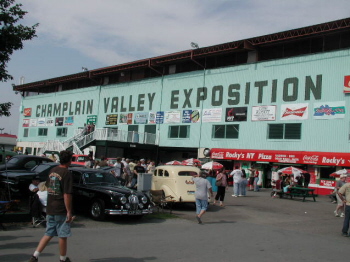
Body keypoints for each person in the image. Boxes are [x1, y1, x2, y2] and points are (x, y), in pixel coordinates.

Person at [28, 150, 74, 262]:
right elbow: (66, 194)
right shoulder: (66, 173)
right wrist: (69, 211)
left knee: (48, 233)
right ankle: (63, 259)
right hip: (60, 207)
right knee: (62, 235)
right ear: (69, 161)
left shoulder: (52, 170)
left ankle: (35, 256)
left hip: (50, 206)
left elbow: (48, 186)